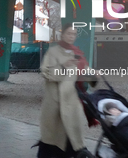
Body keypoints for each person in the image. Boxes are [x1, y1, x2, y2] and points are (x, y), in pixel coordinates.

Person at [37, 23, 97, 158]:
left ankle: (78, 152)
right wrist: (63, 66)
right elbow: (46, 73)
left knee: (72, 134)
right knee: (52, 138)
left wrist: (94, 75)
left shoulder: (77, 53)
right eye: (69, 33)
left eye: (74, 34)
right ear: (62, 34)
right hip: (55, 103)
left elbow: (84, 71)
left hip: (71, 101)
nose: (71, 36)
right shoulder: (53, 52)